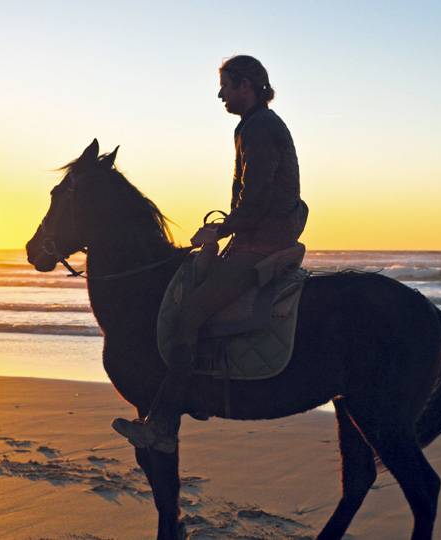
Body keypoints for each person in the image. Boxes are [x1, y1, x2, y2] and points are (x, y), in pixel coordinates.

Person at [112, 55, 308, 452]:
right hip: (256, 238)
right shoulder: (254, 125)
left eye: (226, 85)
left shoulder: (258, 128)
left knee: (189, 314)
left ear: (246, 87)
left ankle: (164, 424)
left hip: (260, 245)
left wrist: (217, 229)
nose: (220, 93)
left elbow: (256, 199)